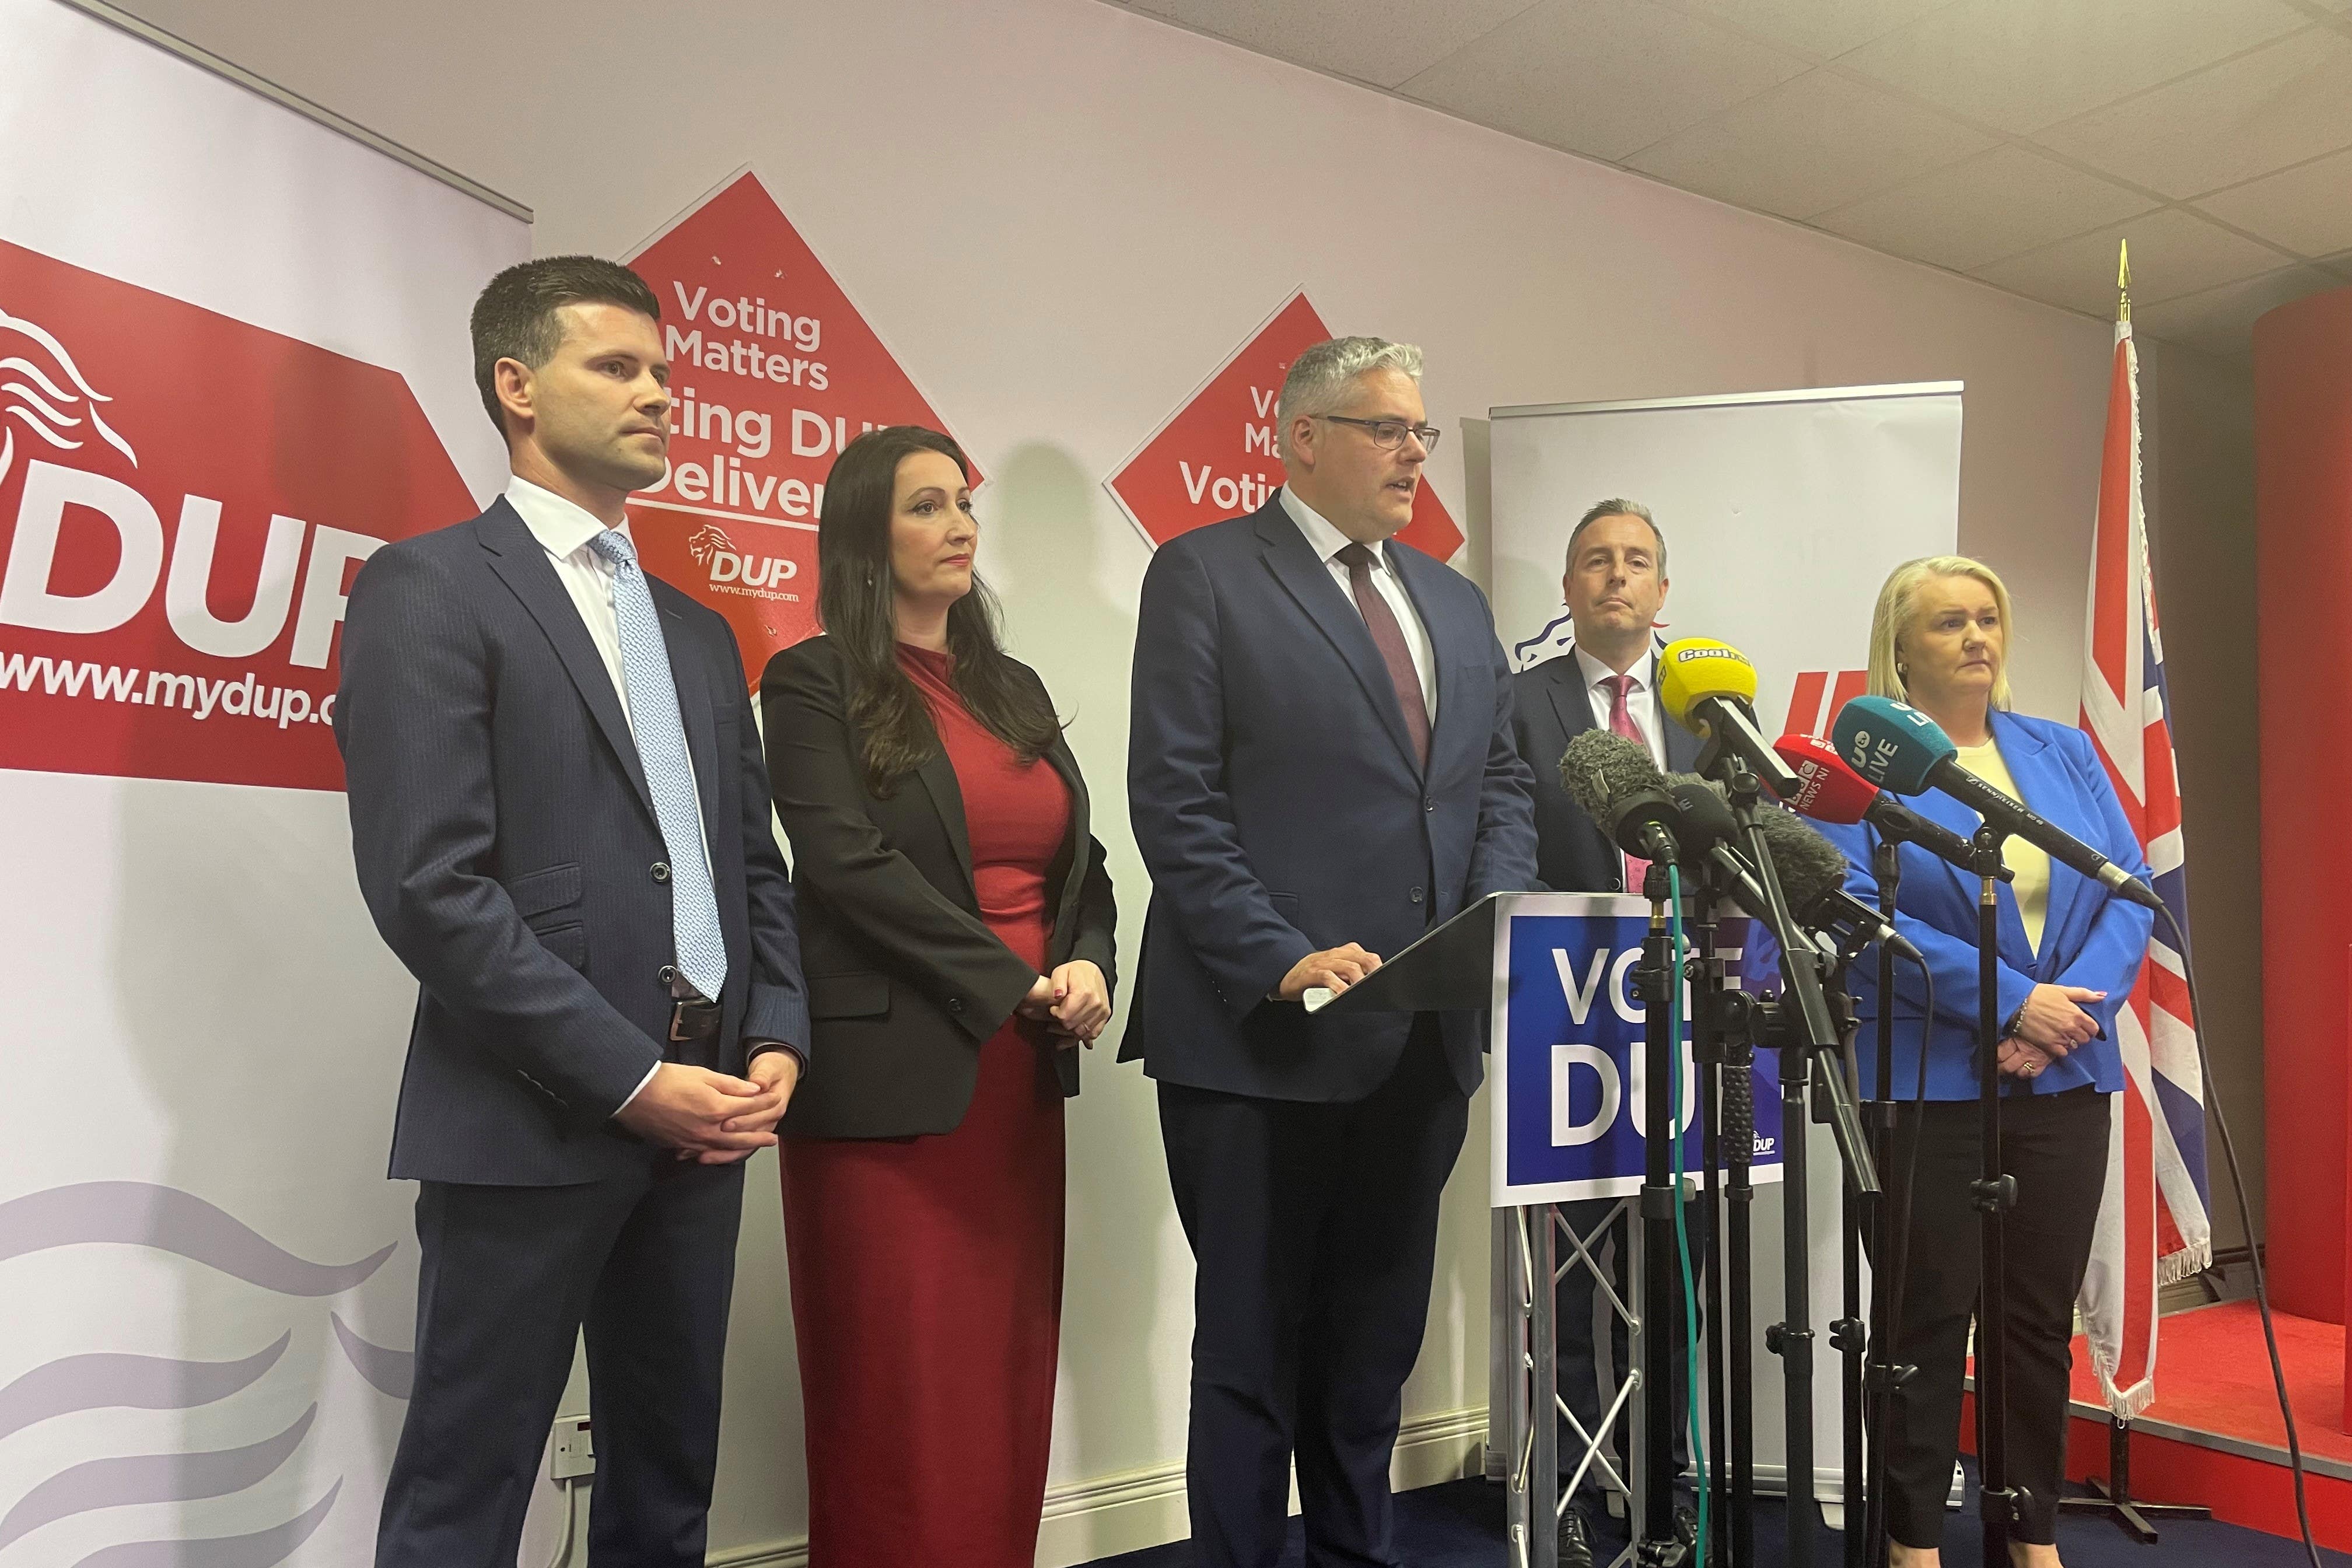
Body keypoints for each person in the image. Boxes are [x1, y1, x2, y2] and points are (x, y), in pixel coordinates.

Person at [335, 256, 809, 1568]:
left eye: (664, 371)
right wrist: (628, 1077)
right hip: (529, 1117)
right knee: (465, 1493)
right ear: (517, 384)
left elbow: (747, 866)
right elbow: (430, 888)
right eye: (620, 368)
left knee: (669, 1485)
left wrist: (774, 1036)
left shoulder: (698, 631)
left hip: (708, 1120)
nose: (660, 394)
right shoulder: (429, 587)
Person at [1126, 335, 1538, 1567]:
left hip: (1421, 1044)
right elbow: (1176, 804)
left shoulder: (1455, 603)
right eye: (1387, 429)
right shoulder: (1202, 574)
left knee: (1371, 1355)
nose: (1416, 452)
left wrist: (1493, 922)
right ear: (1302, 438)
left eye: (1420, 430)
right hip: (1261, 1040)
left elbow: (1500, 784)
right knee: (1252, 1355)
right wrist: (1285, 955)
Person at [760, 425, 1116, 1566]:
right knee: (894, 1394)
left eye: (963, 502)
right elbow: (843, 863)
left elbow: (1084, 867)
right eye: (924, 506)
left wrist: (1092, 962)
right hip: (889, 1090)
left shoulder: (1011, 686)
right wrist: (1013, 984)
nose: (959, 524)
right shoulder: (813, 680)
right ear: (865, 532)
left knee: (1000, 1379)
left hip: (1019, 1084)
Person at [1817, 555, 2152, 1568]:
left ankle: (2030, 1534)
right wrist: (2016, 1001)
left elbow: (2127, 887)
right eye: (1950, 622)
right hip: (1924, 1082)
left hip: (2063, 1079)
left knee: (2034, 1326)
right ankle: (1912, 1541)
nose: (1976, 637)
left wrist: (2065, 1016)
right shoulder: (1851, 775)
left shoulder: (2060, 751)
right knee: (1923, 1326)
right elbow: (1853, 914)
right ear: (1901, 648)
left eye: (1989, 618)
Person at [1508, 499, 1702, 1566]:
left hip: (1684, 1025)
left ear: (1663, 592)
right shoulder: (1519, 702)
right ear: (1570, 587)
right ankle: (1579, 1488)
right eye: (1595, 561)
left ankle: (1662, 1480)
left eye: (1636, 563)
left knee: (1675, 1263)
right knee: (1574, 1272)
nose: (1615, 577)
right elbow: (1502, 839)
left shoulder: (1712, 714)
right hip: (1564, 1020)